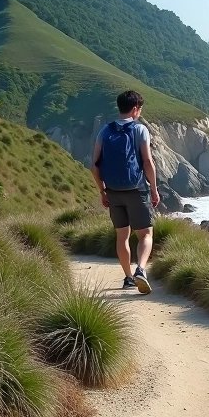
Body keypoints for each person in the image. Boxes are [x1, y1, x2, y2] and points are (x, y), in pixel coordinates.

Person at [91, 90, 161, 293]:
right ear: (135, 109)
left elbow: (94, 166)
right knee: (146, 234)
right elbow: (147, 162)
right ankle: (141, 269)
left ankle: (128, 278)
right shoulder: (140, 130)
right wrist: (154, 190)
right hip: (137, 189)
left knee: (122, 236)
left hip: (113, 190)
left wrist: (103, 191)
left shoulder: (105, 130)